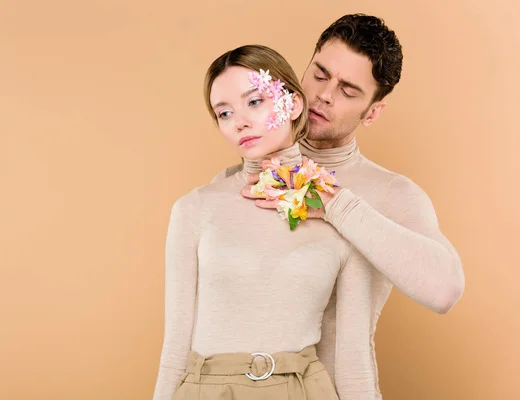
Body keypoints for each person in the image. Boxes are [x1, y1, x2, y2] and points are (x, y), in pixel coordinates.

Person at [213, 13, 466, 398]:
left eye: (348, 90)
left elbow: (444, 290)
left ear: (373, 112)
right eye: (319, 74)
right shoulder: (239, 182)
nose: (325, 95)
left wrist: (334, 202)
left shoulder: (392, 193)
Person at [153, 44, 374, 400]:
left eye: (254, 102)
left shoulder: (340, 209)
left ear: (295, 104)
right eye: (224, 113)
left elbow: (353, 360)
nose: (239, 121)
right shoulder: (195, 209)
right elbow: (175, 347)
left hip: (303, 390)